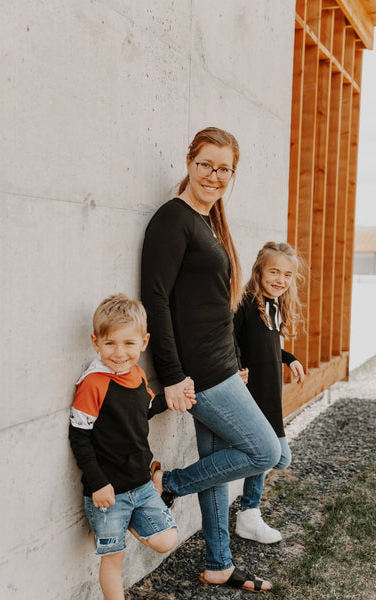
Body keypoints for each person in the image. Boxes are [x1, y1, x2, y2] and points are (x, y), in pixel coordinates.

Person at [141, 127, 282, 594]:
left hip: (222, 364)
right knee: (265, 451)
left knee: (220, 465)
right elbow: (156, 300)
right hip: (200, 372)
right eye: (206, 164)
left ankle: (219, 564)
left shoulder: (208, 222)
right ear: (189, 162)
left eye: (224, 169)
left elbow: (214, 305)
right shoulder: (173, 219)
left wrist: (236, 357)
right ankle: (168, 484)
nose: (214, 175)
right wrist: (172, 375)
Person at [69, 294, 195, 600]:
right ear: (95, 342)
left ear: (144, 342)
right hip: (109, 493)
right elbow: (79, 438)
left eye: (128, 343)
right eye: (110, 343)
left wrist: (171, 400)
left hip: (142, 485)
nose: (120, 352)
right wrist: (98, 483)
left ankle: (129, 520)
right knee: (114, 558)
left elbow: (144, 408)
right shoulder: (93, 383)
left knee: (167, 540)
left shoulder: (136, 374)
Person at [233, 241, 305, 544]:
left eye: (287, 275)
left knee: (279, 458)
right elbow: (231, 338)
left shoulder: (272, 305)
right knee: (270, 456)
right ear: (259, 271)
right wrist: (236, 367)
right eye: (274, 272)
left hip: (271, 395)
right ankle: (248, 513)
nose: (280, 279)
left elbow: (267, 346)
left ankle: (248, 511)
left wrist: (289, 358)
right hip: (254, 394)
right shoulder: (246, 303)